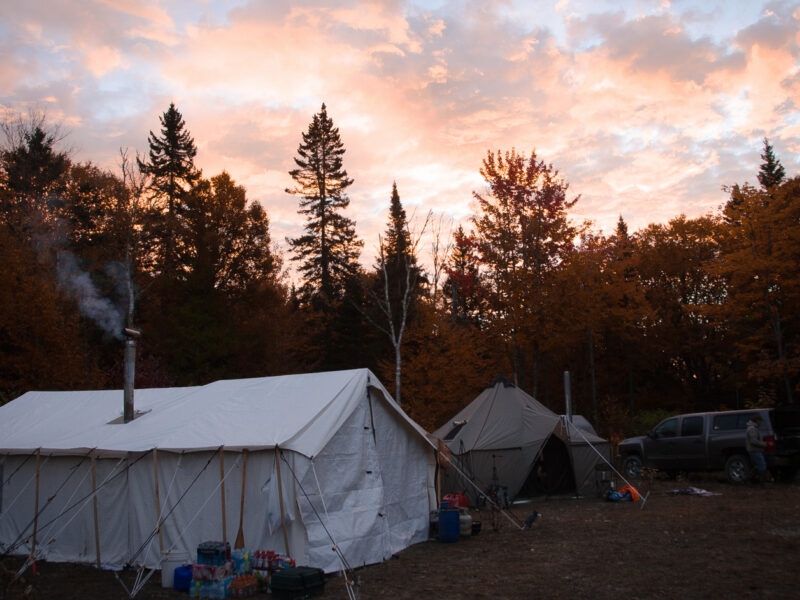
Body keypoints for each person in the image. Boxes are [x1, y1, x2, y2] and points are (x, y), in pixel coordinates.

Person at [745, 414, 769, 485]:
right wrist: (764, 444)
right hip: (754, 450)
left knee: (758, 465)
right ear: (757, 420)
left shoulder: (753, 428)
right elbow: (753, 441)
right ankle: (763, 483)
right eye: (760, 421)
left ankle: (749, 479)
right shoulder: (752, 429)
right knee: (762, 465)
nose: (760, 422)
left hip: (754, 450)